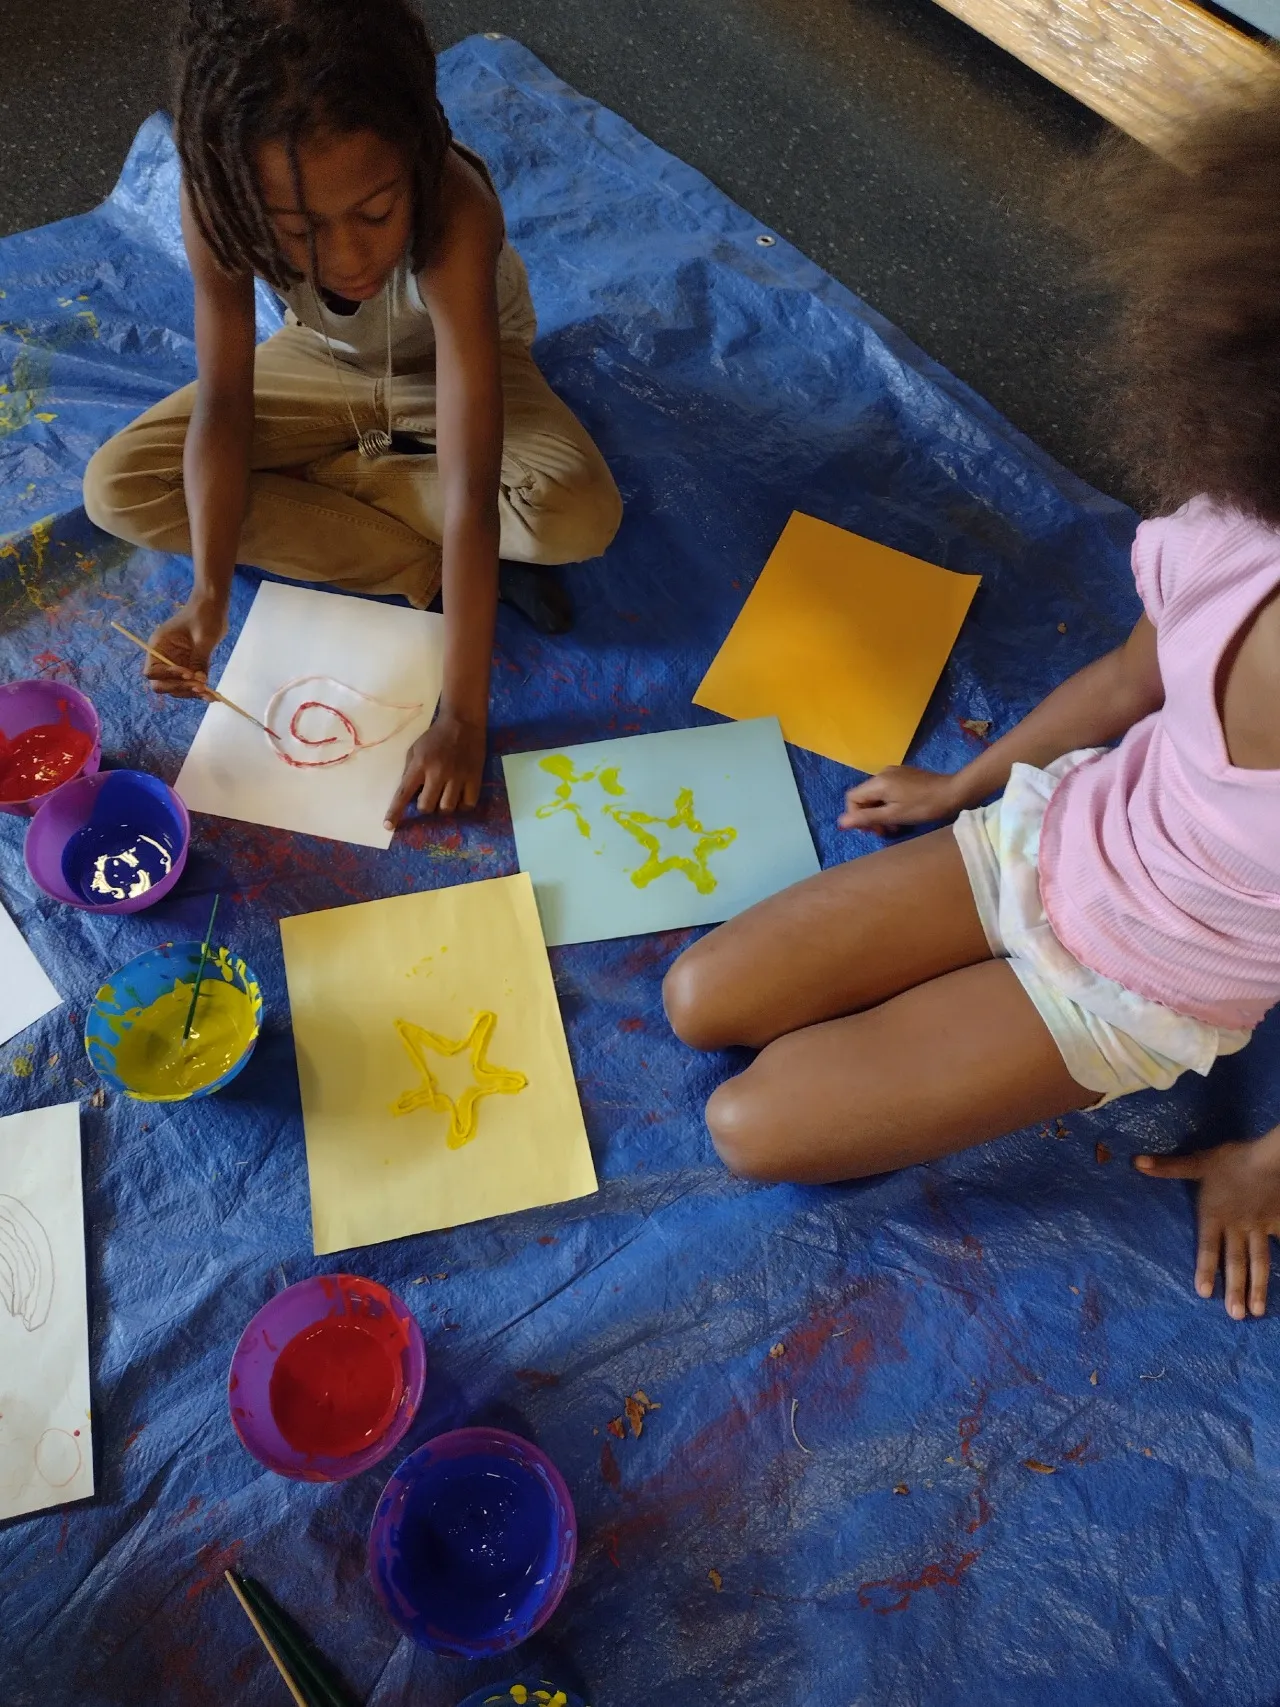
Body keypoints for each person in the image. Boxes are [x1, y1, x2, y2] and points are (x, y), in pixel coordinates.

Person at [663, 85, 1280, 1323]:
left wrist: (1264, 1165)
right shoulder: (1237, 538)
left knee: (746, 1124)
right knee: (698, 1000)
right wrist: (968, 787)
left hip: (1126, 996)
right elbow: (1124, 678)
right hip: (1051, 836)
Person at [82, 0, 621, 825]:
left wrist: (463, 718)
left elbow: (473, 489)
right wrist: (208, 596)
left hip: (452, 367)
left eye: (375, 213)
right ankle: (420, 562)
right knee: (119, 488)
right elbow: (225, 406)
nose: (350, 259)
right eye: (297, 233)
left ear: (413, 156)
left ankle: (345, 476)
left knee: (573, 513)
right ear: (241, 202)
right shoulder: (216, 205)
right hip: (320, 363)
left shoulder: (456, 210)